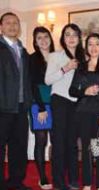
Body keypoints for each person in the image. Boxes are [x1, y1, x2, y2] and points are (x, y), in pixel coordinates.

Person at [69, 33, 99, 190]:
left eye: (97, 44)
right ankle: (87, 184)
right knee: (87, 149)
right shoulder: (81, 66)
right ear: (86, 47)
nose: (93, 47)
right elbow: (72, 90)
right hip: (82, 112)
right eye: (90, 44)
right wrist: (85, 91)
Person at [45, 23, 85, 190]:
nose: (71, 38)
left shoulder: (85, 58)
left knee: (72, 144)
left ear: (79, 38)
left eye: (74, 34)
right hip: (60, 101)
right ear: (63, 38)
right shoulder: (55, 56)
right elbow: (48, 80)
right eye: (67, 34)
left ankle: (74, 180)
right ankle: (59, 182)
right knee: (59, 143)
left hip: (77, 104)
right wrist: (65, 68)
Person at [0, 12, 32, 190]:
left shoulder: (23, 50)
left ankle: (16, 181)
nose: (13, 26)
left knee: (18, 146)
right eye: (8, 23)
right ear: (1, 26)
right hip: (2, 107)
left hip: (21, 107)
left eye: (16, 23)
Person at [29, 26, 54, 190]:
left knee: (58, 140)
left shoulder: (57, 57)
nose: (43, 40)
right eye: (39, 38)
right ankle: (43, 177)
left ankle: (57, 173)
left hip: (57, 104)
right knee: (41, 141)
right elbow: (32, 85)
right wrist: (41, 108)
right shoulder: (32, 59)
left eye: (46, 36)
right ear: (35, 42)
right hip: (39, 104)